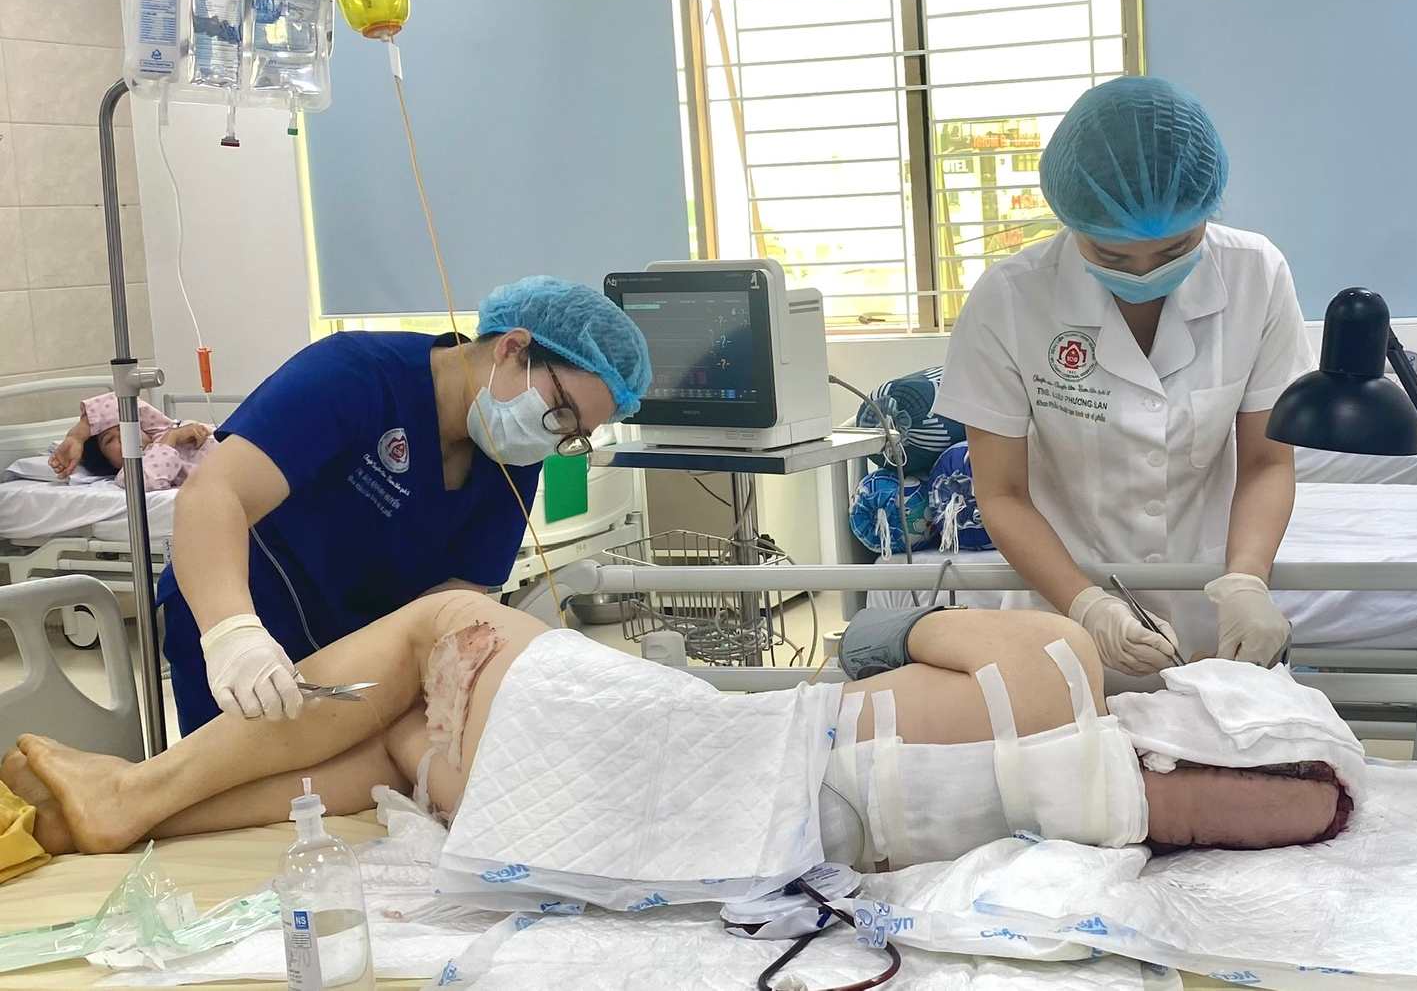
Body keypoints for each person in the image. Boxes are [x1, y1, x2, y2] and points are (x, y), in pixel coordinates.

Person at [7, 598, 1349, 864]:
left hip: (705, 748)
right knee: (378, 744)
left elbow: (902, 635)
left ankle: (137, 788)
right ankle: (130, 806)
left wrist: (1007, 610)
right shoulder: (1075, 733)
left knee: (443, 622)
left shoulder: (1050, 652)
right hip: (637, 809)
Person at [157, 275, 651, 735]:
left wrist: (428, 683)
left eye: (574, 434)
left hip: (358, 652)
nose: (556, 435)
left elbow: (460, 595)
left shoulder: (512, 453)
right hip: (243, 609)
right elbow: (215, 495)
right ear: (512, 347)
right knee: (221, 791)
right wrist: (233, 635)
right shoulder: (355, 374)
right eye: (560, 411)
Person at [937, 76, 1312, 678]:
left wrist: (1245, 581)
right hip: (1059, 615)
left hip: (1207, 613)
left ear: (1206, 213)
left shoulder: (1255, 275)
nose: (1143, 273)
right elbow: (1001, 493)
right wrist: (1088, 606)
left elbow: (1268, 461)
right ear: (1070, 219)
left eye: (1173, 252)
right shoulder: (1010, 298)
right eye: (1112, 257)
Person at [48, 393, 216, 491]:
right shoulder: (129, 474)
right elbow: (151, 481)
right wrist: (172, 438)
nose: (122, 434)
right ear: (109, 463)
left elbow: (122, 400)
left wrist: (78, 434)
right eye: (109, 440)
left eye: (123, 426)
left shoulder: (161, 431)